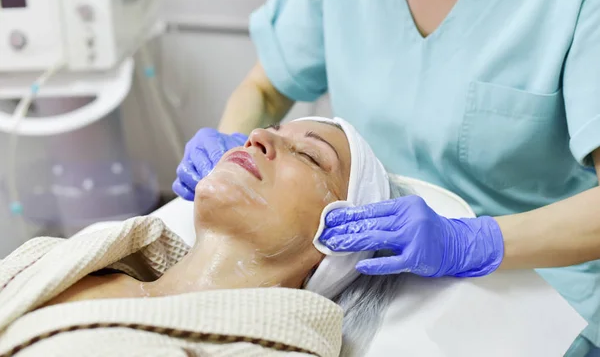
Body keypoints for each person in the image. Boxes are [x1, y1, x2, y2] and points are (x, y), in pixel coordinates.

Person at [173, 0, 600, 355]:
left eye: (310, 155)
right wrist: (230, 153)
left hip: (540, 293)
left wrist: (473, 242)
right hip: (368, 281)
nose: (260, 139)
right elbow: (265, 90)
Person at [0, 118, 412, 357]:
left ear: (337, 243)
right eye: (271, 130)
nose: (256, 137)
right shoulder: (68, 255)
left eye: (308, 155)